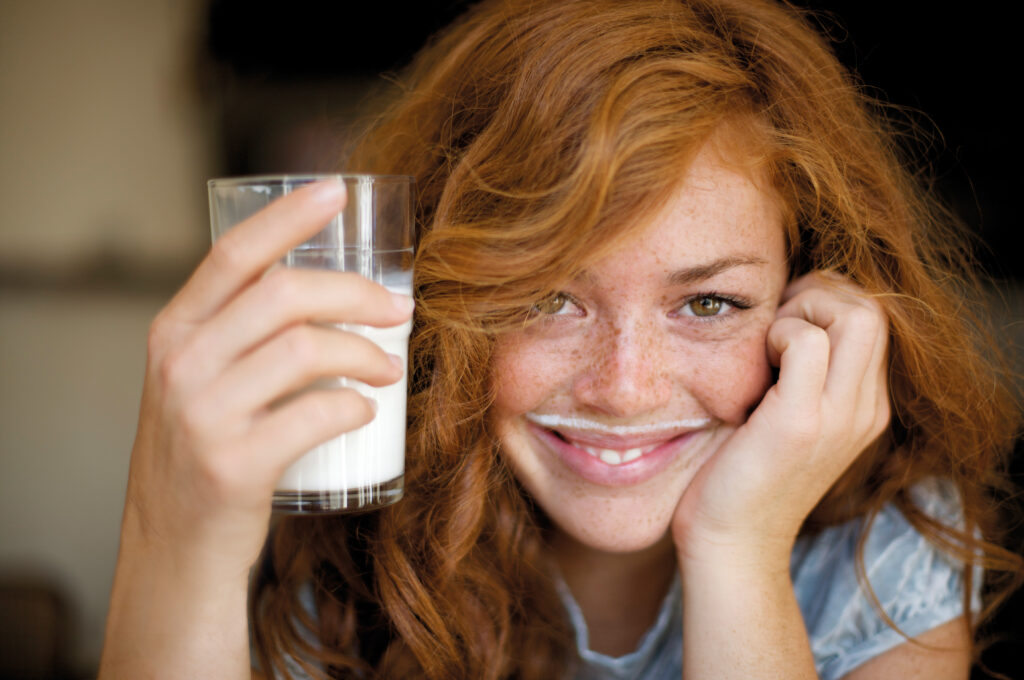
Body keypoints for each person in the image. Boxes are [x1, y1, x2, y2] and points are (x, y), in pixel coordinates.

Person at [98, 0, 1023, 678]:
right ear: (444, 298)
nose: (623, 389)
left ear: (811, 303)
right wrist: (171, 540)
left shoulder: (884, 550)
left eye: (707, 305)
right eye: (546, 298)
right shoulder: (334, 532)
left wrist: (737, 551)